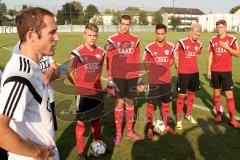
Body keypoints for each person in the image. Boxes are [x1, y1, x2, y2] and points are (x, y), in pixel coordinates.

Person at [0, 7, 59, 160]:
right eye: (52, 32)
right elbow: (0, 130)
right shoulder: (21, 74)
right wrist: (38, 153)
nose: (57, 37)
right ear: (31, 35)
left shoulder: (33, 66)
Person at [67, 23, 106, 160]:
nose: (92, 38)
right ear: (84, 35)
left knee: (96, 121)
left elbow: (100, 69)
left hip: (97, 92)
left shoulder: (101, 52)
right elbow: (69, 71)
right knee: (81, 123)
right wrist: (78, 84)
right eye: (89, 35)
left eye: (94, 36)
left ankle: (99, 146)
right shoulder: (77, 51)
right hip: (83, 93)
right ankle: (81, 152)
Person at [106, 15, 143, 145]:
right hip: (118, 77)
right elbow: (109, 60)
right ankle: (118, 134)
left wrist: (140, 79)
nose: (124, 26)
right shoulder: (112, 40)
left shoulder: (136, 40)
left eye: (127, 24)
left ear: (130, 24)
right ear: (119, 23)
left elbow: (137, 59)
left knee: (130, 104)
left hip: (132, 77)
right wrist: (110, 79)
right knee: (119, 104)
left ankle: (129, 131)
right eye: (123, 24)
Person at [143, 24, 176, 140]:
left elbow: (171, 59)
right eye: (158, 33)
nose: (160, 36)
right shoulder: (149, 47)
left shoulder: (171, 47)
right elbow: (145, 62)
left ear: (165, 34)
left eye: (162, 33)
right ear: (155, 33)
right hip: (154, 83)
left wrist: (166, 68)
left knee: (166, 105)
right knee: (151, 106)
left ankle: (166, 125)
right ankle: (150, 129)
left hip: (166, 82)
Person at [207, 19, 240, 128]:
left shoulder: (232, 39)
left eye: (221, 27)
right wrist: (208, 70)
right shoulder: (212, 40)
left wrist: (226, 47)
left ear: (225, 28)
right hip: (215, 71)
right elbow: (211, 55)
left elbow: (237, 54)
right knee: (216, 92)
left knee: (229, 94)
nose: (219, 29)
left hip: (226, 71)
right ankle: (219, 115)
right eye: (217, 27)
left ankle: (232, 119)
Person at [174, 23, 203, 130]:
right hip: (183, 73)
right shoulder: (181, 42)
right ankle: (179, 119)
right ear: (191, 32)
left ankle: (188, 114)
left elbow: (197, 55)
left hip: (194, 73)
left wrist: (191, 62)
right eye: (195, 34)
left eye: (198, 35)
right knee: (181, 96)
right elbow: (175, 51)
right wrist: (177, 62)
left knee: (191, 94)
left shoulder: (199, 44)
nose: (197, 37)